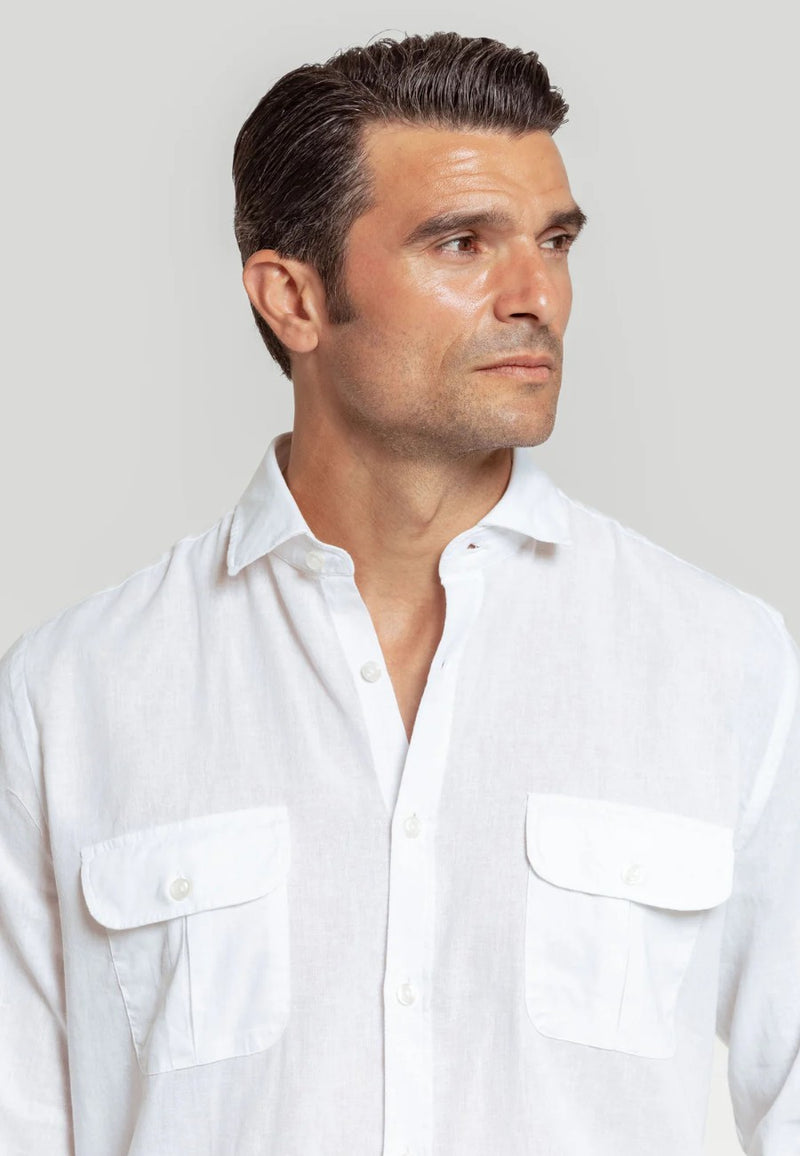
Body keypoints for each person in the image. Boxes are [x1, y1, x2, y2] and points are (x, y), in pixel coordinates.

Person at [0, 29, 797, 1156]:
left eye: (554, 241)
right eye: (461, 242)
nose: (535, 295)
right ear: (293, 299)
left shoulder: (721, 662)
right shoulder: (72, 696)